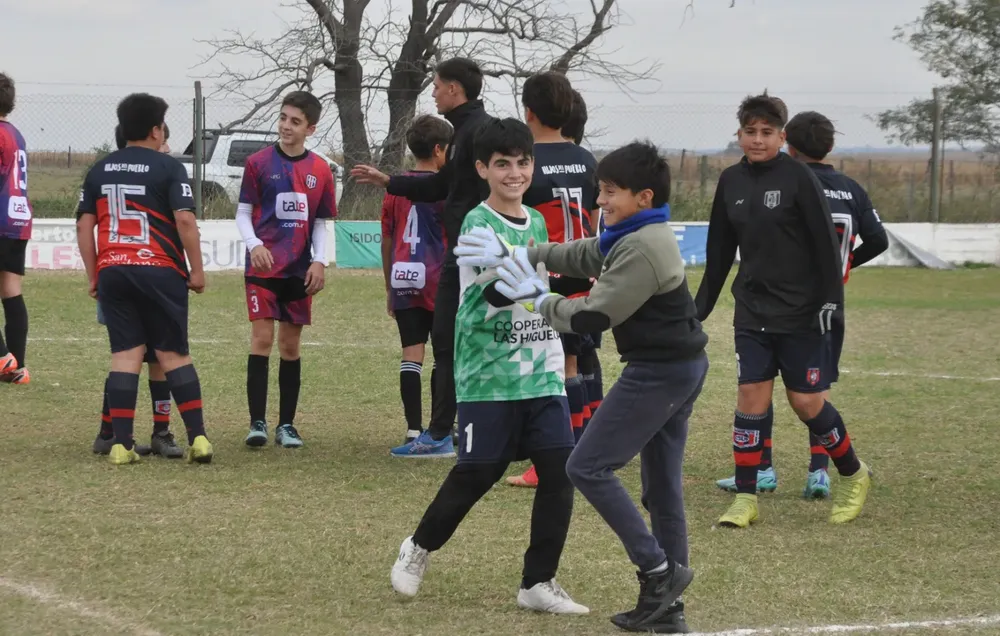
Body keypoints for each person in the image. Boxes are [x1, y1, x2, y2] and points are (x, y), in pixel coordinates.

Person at [455, 140, 706, 633]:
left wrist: (536, 295)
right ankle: (668, 609)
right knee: (660, 491)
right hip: (677, 368)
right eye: (600, 191)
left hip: (659, 374)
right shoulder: (631, 230)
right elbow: (584, 253)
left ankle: (659, 573)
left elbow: (593, 314)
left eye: (610, 192)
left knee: (586, 466)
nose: (600, 202)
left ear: (644, 195)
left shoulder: (643, 245)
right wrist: (520, 252)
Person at [389, 118, 587, 616]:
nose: (514, 173)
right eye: (502, 164)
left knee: (560, 471)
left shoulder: (537, 222)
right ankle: (418, 547)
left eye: (522, 162)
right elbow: (496, 292)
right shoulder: (477, 224)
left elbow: (534, 283)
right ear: (482, 169)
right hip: (489, 370)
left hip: (540, 365)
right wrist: (533, 279)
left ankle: (537, 582)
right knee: (478, 471)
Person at [695, 92, 872, 528]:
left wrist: (829, 302)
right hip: (752, 310)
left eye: (767, 132)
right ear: (738, 134)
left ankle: (853, 473)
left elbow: (827, 249)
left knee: (806, 402)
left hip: (803, 312)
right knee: (750, 399)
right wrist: (698, 308)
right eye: (750, 132)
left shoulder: (798, 177)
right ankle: (746, 496)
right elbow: (719, 252)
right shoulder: (730, 181)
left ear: (782, 135)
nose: (757, 140)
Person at [352, 57, 496, 458]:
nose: (432, 92)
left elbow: (445, 186)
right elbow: (440, 185)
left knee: (451, 345)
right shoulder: (471, 129)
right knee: (455, 344)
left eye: (436, 85)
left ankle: (440, 433)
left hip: (467, 254)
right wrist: (389, 181)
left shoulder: (472, 133)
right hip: (462, 254)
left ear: (454, 88)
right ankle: (448, 430)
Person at [76, 92, 213, 466]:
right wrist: (196, 270)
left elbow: (84, 225)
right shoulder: (169, 168)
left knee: (125, 354)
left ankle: (121, 444)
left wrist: (94, 274)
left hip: (114, 271)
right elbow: (185, 220)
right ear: (156, 130)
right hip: (159, 270)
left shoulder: (99, 170)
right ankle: (198, 439)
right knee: (172, 353)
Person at [506, 72, 598, 489]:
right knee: (573, 362)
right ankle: (579, 452)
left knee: (553, 367)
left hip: (547, 273)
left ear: (528, 111)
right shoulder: (586, 159)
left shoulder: (526, 161)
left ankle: (557, 461)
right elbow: (597, 219)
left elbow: (519, 223)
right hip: (584, 270)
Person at [237, 91, 337, 449]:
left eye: (295, 121)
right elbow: (244, 213)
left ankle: (287, 425)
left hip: (298, 271)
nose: (285, 126)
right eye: (282, 118)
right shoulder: (258, 163)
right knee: (262, 340)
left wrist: (319, 261)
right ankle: (258, 423)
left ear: (310, 128)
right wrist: (255, 245)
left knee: (290, 348)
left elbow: (322, 223)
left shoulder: (321, 170)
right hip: (262, 269)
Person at [92, 123, 184, 458]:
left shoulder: (109, 174)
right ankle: (126, 432)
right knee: (138, 356)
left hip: (129, 275)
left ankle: (128, 432)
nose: (167, 147)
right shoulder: (154, 176)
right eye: (163, 140)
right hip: (139, 275)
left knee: (134, 356)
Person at [380, 114, 451, 445]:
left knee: (411, 353)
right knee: (443, 354)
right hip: (438, 279)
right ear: (439, 150)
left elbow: (387, 238)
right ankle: (440, 425)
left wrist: (388, 285)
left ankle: (412, 427)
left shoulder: (394, 189)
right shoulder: (445, 188)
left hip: (403, 276)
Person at [0, 72, 31, 385]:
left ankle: (1, 357)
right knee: (10, 290)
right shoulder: (15, 133)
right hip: (17, 219)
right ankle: (17, 368)